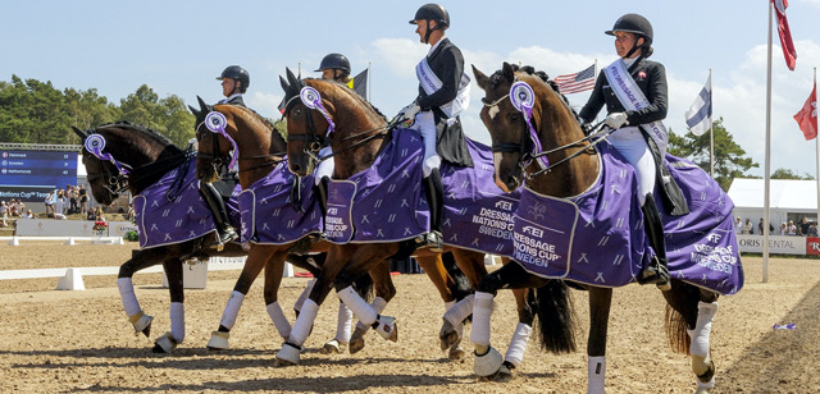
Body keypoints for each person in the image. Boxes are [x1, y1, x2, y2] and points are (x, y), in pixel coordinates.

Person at [578, 14, 670, 289]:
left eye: (623, 37)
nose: (618, 43)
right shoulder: (609, 73)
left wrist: (627, 116)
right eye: (616, 38)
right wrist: (579, 123)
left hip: (637, 139)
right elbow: (590, 109)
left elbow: (660, 108)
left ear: (640, 41)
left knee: (643, 192)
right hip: (609, 137)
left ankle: (658, 262)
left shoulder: (653, 69)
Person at [397, 3, 474, 252]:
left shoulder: (451, 52)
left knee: (430, 164)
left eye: (419, 25)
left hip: (440, 122)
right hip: (424, 118)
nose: (417, 31)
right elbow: (423, 96)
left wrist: (420, 104)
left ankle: (436, 231)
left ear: (433, 24)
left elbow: (449, 91)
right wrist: (407, 110)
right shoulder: (427, 59)